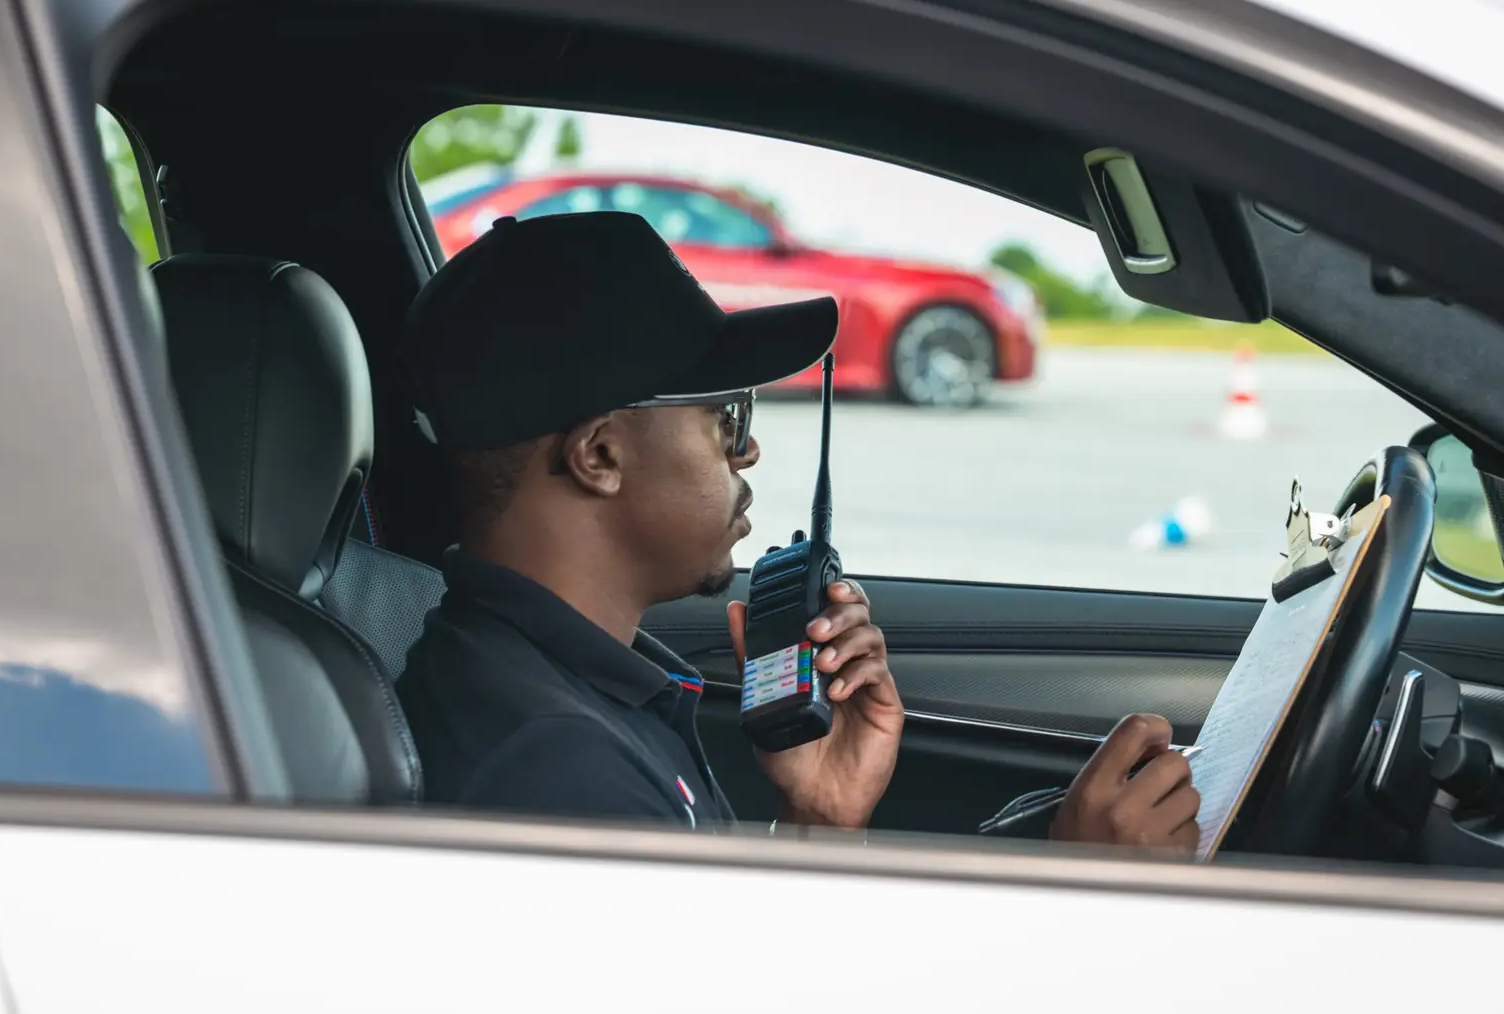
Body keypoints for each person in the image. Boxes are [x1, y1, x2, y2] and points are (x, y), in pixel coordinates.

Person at [394, 210, 1201, 853]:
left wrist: (819, 820)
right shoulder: (554, 769)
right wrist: (1082, 888)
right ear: (600, 454)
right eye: (724, 417)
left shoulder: (567, 681)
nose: (748, 449)